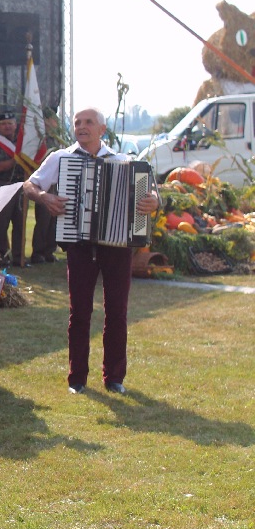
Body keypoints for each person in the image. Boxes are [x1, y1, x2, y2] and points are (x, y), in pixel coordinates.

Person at [22, 107, 159, 395]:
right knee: (79, 311)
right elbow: (29, 185)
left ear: (102, 130)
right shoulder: (61, 158)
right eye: (77, 123)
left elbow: (151, 194)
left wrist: (154, 202)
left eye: (88, 122)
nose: (81, 127)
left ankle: (114, 377)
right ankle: (77, 379)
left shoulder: (124, 161)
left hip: (118, 246)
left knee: (117, 312)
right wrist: (45, 197)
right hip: (79, 243)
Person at [0, 111, 27, 266]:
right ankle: (3, 256)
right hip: (3, 184)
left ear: (16, 125)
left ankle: (19, 256)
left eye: (10, 123)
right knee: (1, 224)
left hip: (21, 184)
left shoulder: (22, 143)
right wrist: (17, 160)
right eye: (3, 124)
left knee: (20, 222)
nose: (7, 126)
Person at [30, 108, 62, 264]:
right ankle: (38, 252)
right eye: (51, 120)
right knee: (43, 219)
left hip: (57, 183)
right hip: (44, 184)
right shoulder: (40, 140)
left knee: (54, 220)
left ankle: (50, 251)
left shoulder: (57, 139)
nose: (54, 123)